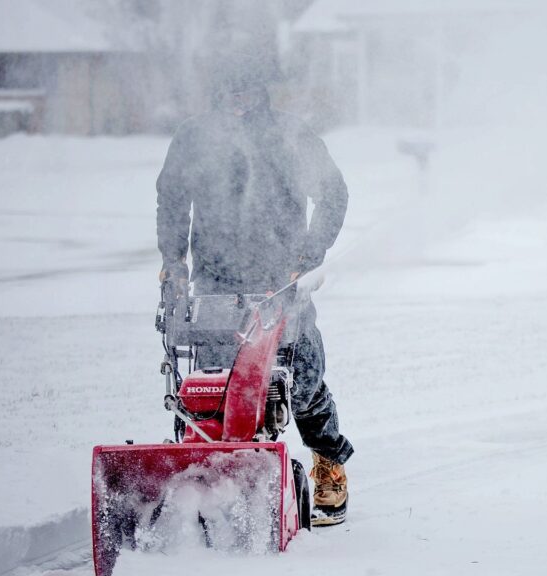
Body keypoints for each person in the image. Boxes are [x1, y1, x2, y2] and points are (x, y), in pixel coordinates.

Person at [155, 50, 353, 526]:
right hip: (215, 279)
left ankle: (329, 461)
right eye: (229, 93)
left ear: (261, 92)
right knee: (212, 383)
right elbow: (172, 199)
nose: (238, 102)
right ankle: (207, 475)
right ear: (217, 95)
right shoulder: (194, 138)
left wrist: (306, 259)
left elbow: (332, 193)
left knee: (300, 378)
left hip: (280, 278)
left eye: (246, 92)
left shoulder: (289, 135)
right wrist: (173, 263)